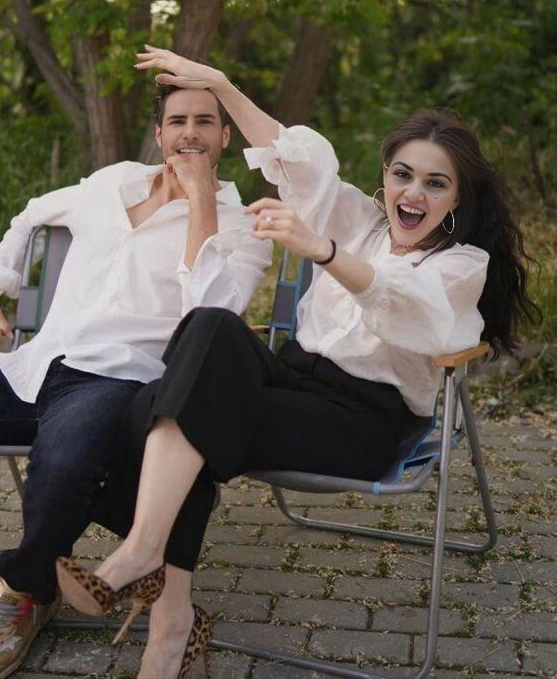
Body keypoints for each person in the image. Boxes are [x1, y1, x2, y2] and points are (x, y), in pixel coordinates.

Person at [56, 46, 539, 679]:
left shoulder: (458, 266)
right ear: (385, 177)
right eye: (402, 174)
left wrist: (324, 250)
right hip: (292, 377)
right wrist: (224, 87)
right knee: (209, 328)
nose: (413, 193)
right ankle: (156, 580)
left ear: (457, 199)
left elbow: (403, 302)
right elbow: (297, 160)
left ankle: (163, 610)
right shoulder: (359, 218)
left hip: (362, 419)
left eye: (435, 183)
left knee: (166, 408)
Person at [0, 81, 271, 679]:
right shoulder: (111, 183)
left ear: (225, 136)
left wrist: (201, 204)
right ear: (158, 133)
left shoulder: (243, 227)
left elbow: (208, 319)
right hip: (30, 367)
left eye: (204, 122)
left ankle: (24, 594)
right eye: (177, 121)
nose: (189, 133)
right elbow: (31, 213)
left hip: (114, 382)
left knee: (64, 467)